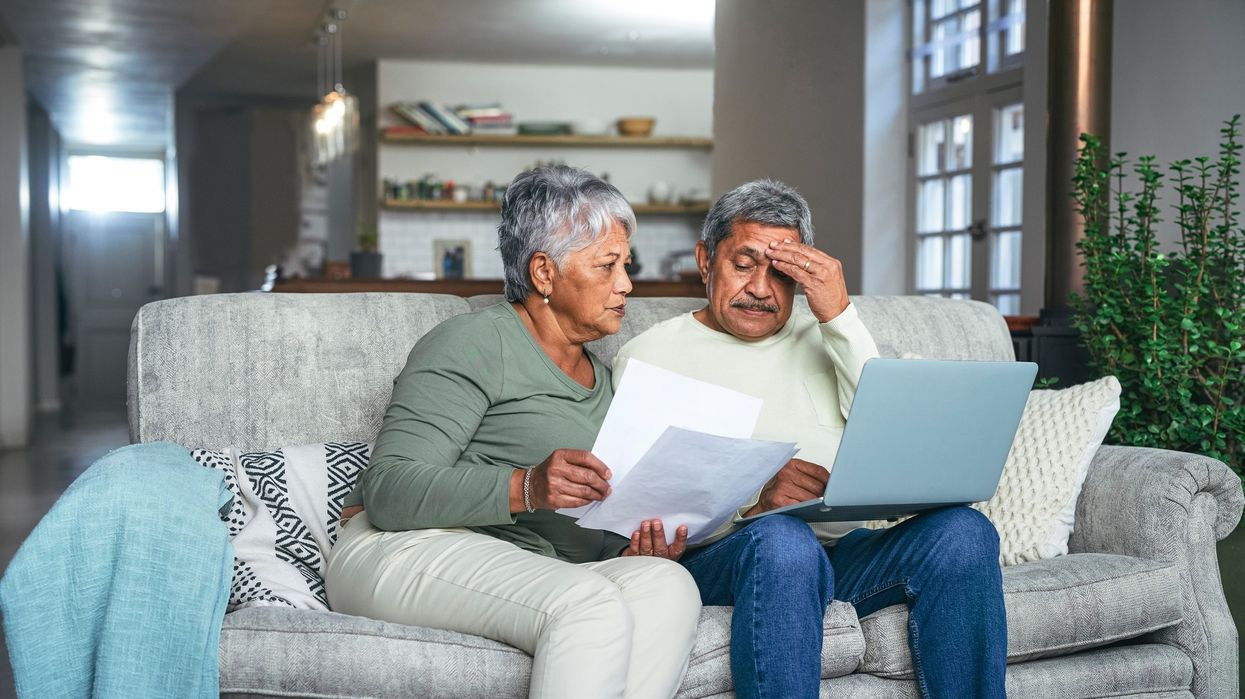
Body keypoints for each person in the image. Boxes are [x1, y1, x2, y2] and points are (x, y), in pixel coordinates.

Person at [614, 180, 1006, 699]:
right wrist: (754, 506)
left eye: (780, 271)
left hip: (841, 551)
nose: (760, 287)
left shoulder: (830, 335)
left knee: (964, 532)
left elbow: (887, 437)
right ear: (705, 260)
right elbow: (633, 511)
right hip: (723, 558)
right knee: (783, 540)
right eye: (743, 263)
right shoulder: (651, 357)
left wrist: (839, 314)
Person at [326, 165, 702, 699]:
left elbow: (577, 536)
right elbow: (388, 490)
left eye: (627, 264)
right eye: (607, 265)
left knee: (668, 586)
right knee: (587, 605)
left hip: (529, 568)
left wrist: (629, 551)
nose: (627, 284)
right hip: (407, 548)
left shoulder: (608, 381)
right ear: (544, 273)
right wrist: (526, 486)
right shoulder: (473, 343)